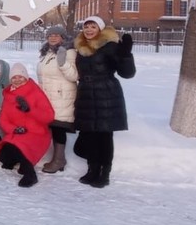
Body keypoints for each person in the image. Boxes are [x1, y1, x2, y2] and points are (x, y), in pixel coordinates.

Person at [73, 16, 136, 188]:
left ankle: (104, 173)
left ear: (100, 29)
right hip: (86, 93)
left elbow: (127, 73)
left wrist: (126, 55)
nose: (89, 30)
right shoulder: (80, 48)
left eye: (93, 26)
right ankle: (92, 170)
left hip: (106, 94)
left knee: (104, 136)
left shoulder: (110, 46)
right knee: (90, 135)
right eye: (86, 26)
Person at [0, 63, 55, 188]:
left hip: (37, 133)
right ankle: (17, 161)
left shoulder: (35, 92)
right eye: (14, 77)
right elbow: (3, 120)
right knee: (4, 155)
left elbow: (49, 116)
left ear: (26, 77)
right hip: (18, 132)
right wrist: (14, 129)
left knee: (20, 146)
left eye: (20, 76)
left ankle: (30, 174)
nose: (17, 80)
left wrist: (30, 110)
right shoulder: (8, 96)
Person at [36, 25, 78, 173]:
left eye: (56, 35)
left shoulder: (69, 51)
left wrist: (63, 63)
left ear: (63, 37)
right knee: (53, 127)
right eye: (50, 35)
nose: (53, 37)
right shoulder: (47, 52)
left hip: (62, 96)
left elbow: (74, 76)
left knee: (59, 127)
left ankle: (59, 159)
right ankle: (56, 158)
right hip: (48, 96)